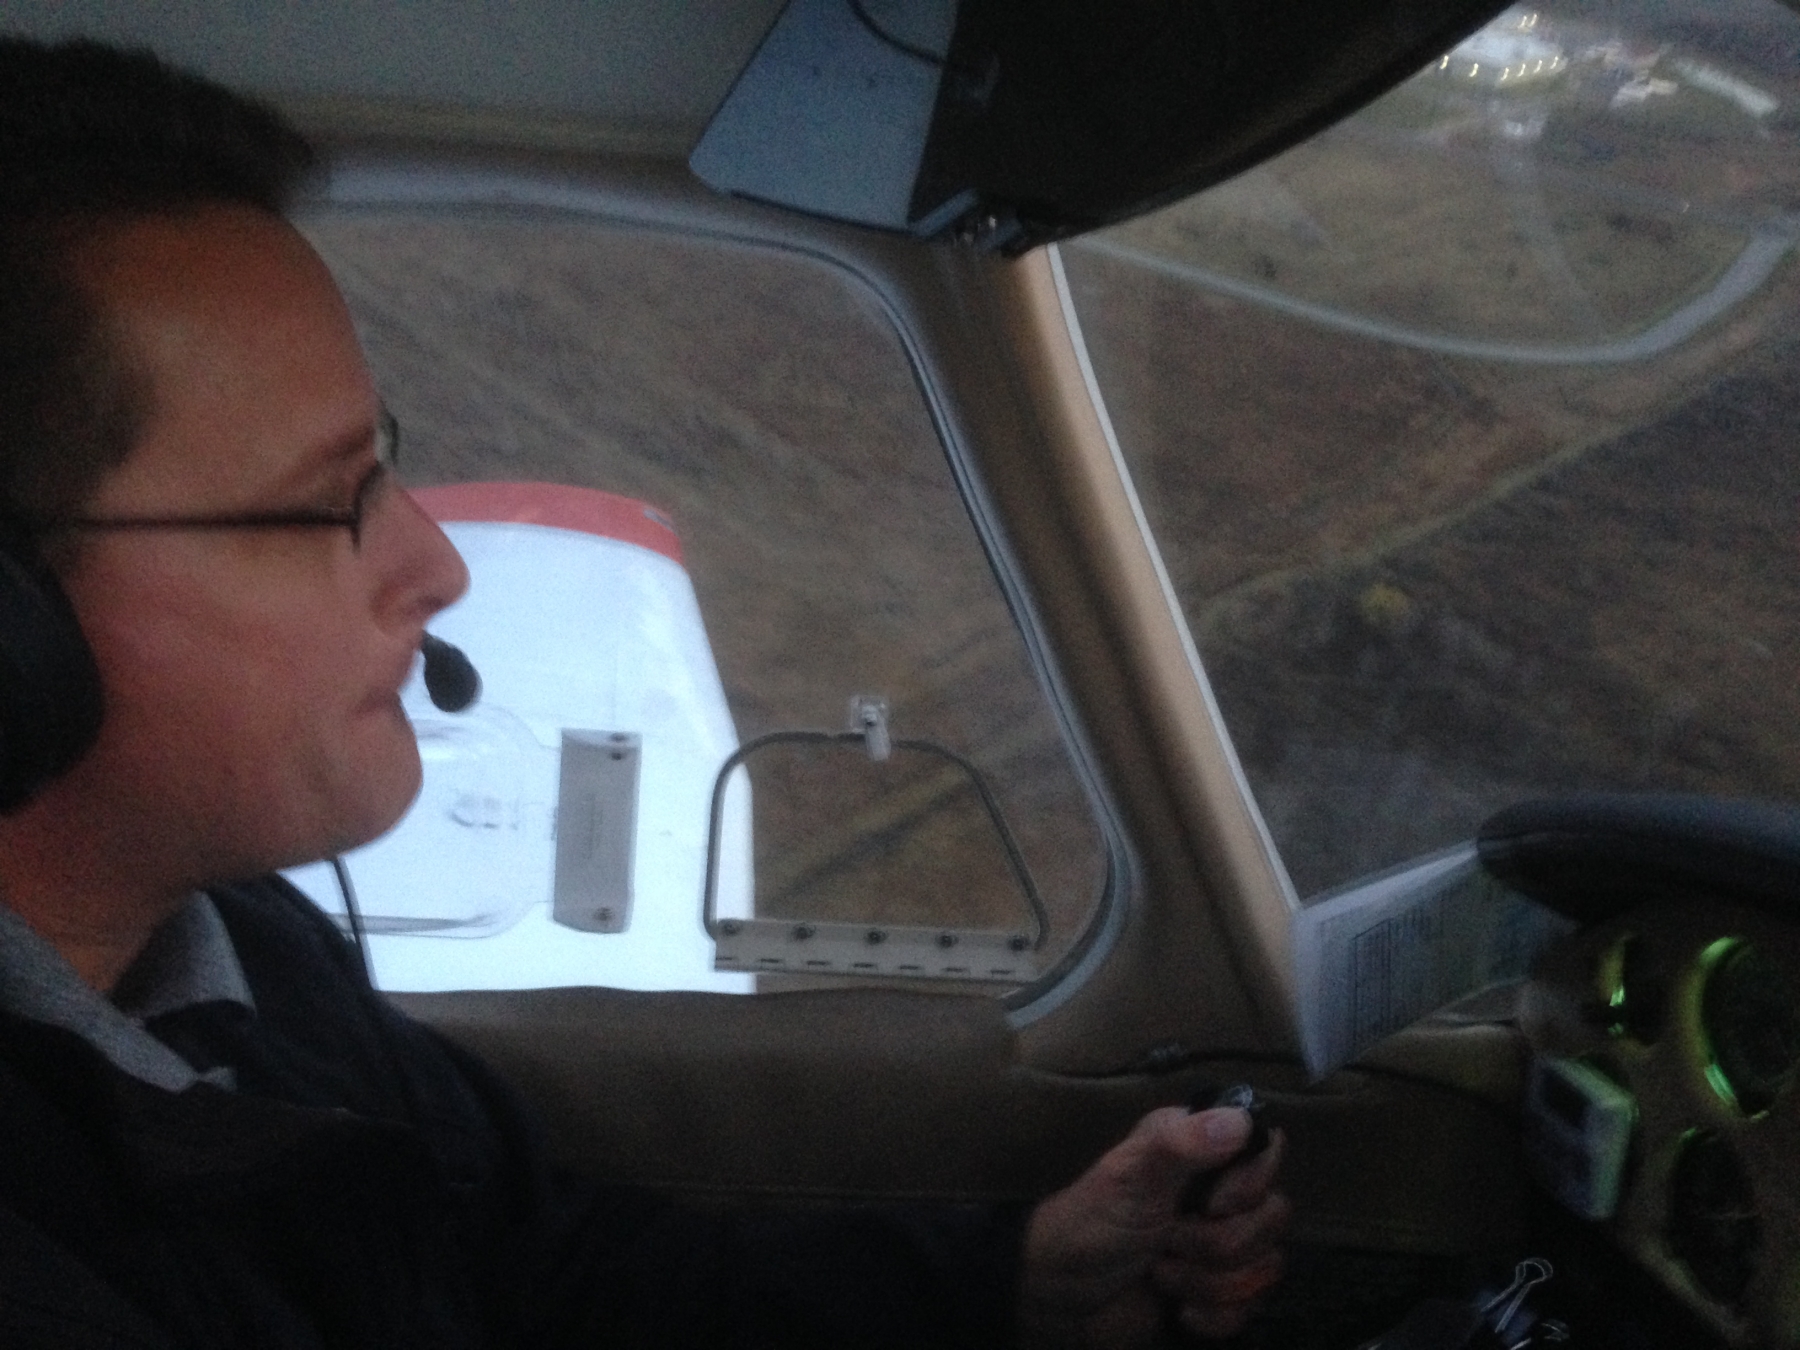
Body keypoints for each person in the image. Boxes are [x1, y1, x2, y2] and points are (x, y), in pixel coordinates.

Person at [0, 36, 1288, 1348]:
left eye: (383, 466)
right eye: (332, 499)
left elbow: (549, 1270)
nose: (436, 565)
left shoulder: (247, 953)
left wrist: (1013, 1281)